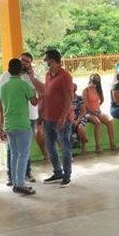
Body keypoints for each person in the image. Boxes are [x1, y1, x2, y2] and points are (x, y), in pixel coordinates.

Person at [0, 52, 43, 186]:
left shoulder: (31, 77)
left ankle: (25, 174)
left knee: (21, 151)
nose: (24, 63)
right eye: (22, 60)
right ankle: (16, 180)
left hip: (27, 117)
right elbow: (35, 100)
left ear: (30, 64)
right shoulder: (6, 77)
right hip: (18, 120)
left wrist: (32, 78)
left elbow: (43, 91)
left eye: (27, 61)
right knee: (19, 152)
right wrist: (1, 116)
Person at [41, 49, 74, 187]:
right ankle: (57, 172)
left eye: (47, 61)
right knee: (50, 146)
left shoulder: (65, 76)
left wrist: (63, 117)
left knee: (65, 147)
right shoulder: (48, 75)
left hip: (62, 119)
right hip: (48, 118)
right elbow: (46, 94)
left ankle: (67, 175)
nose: (46, 63)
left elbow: (69, 98)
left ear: (54, 61)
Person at [82, 74, 116, 152]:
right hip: (88, 113)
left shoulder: (98, 90)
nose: (94, 82)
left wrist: (98, 108)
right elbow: (85, 105)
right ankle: (98, 146)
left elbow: (102, 100)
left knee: (109, 122)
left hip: (97, 111)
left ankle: (112, 143)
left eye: (97, 79)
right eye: (93, 79)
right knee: (97, 123)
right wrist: (94, 112)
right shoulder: (86, 90)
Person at [70, 84, 88, 154]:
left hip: (80, 117)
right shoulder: (65, 99)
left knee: (80, 128)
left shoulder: (79, 98)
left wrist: (77, 121)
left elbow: (83, 112)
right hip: (69, 118)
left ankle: (84, 145)